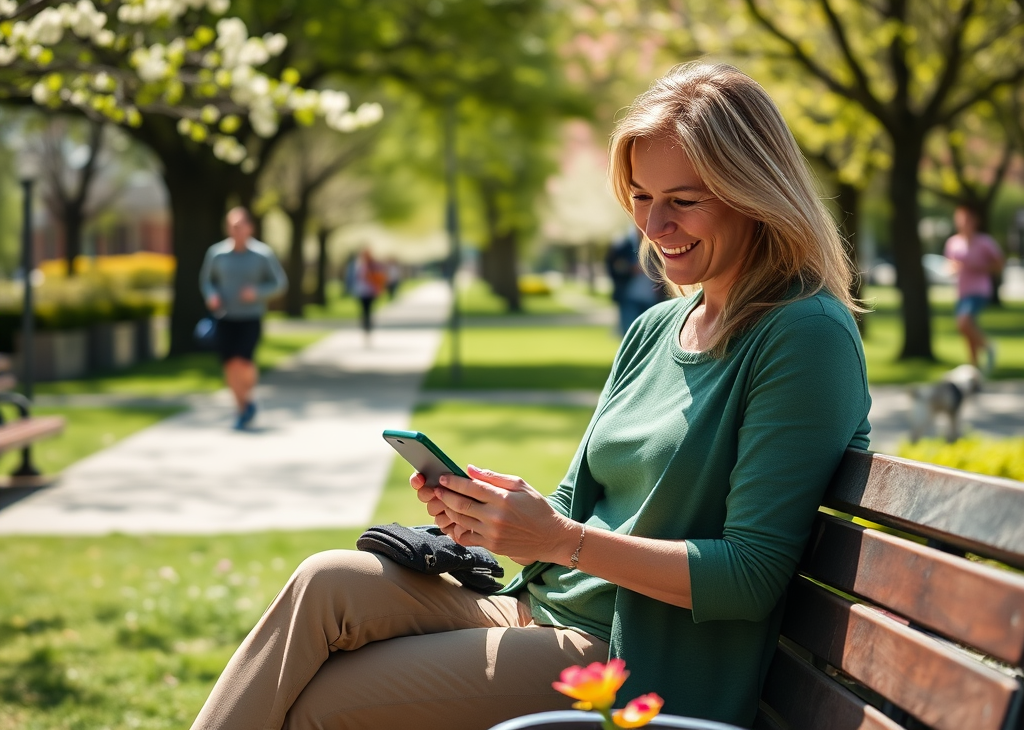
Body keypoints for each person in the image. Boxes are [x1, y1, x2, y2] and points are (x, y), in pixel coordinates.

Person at [189, 63, 871, 730]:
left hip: (630, 658)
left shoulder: (803, 334)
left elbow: (751, 576)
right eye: (639, 197)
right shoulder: (657, 327)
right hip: (541, 606)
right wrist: (492, 517)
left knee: (322, 706)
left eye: (683, 200)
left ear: (755, 192)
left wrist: (563, 540)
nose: (653, 225)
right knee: (323, 583)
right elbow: (573, 509)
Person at [199, 207, 287, 430]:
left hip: (250, 317)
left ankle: (247, 398)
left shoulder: (262, 254)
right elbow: (207, 280)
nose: (235, 230)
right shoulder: (216, 253)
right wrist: (212, 295)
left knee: (244, 363)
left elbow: (279, 283)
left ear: (250, 227)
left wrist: (257, 292)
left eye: (239, 226)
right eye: (231, 226)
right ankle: (242, 409)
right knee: (230, 365)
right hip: (225, 317)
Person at [944, 203, 1004, 374]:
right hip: (963, 291)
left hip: (980, 290)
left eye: (967, 219)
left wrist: (979, 267)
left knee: (963, 322)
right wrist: (954, 267)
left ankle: (989, 346)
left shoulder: (984, 242)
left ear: (974, 221)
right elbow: (949, 265)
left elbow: (999, 264)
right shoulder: (953, 242)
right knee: (968, 331)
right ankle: (974, 369)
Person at [605, 227, 664, 334]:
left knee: (651, 337)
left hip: (652, 299)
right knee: (629, 335)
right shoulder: (622, 244)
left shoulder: (657, 243)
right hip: (629, 299)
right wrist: (629, 269)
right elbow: (613, 267)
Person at [352, 248, 387, 344]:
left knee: (368, 310)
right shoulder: (358, 265)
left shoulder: (372, 265)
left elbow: (380, 277)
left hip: (370, 291)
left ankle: (368, 327)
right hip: (362, 291)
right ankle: (366, 327)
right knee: (364, 311)